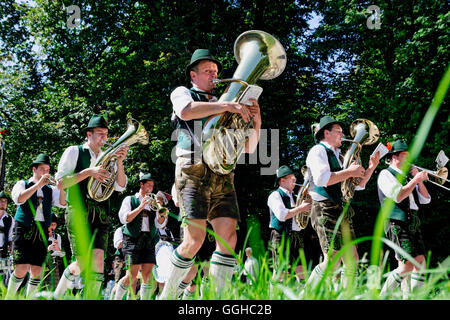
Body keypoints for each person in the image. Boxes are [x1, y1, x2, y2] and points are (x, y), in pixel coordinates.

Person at [160, 48, 262, 299]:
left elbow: (249, 149)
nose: (214, 76)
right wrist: (227, 105)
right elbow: (186, 111)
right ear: (193, 75)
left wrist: (256, 120)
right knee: (194, 239)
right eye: (208, 71)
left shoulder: (226, 103)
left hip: (223, 173)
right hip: (193, 167)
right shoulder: (183, 92)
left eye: (216, 72)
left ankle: (217, 298)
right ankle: (169, 296)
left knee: (230, 237)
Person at [53, 114, 129, 299]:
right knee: (81, 262)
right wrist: (89, 172)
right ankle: (57, 295)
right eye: (100, 133)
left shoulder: (108, 156)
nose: (104, 137)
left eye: (106, 133)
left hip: (101, 212)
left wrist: (119, 161)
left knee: (98, 260)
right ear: (89, 134)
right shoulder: (74, 151)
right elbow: (60, 183)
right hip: (79, 210)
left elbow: (121, 186)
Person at [305, 116, 380, 289]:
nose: (343, 134)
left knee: (352, 258)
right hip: (324, 208)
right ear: (326, 133)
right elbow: (323, 179)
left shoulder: (339, 157)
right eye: (339, 131)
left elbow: (359, 185)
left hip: (341, 209)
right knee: (332, 259)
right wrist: (349, 171)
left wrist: (371, 167)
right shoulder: (318, 151)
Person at [6, 153, 66, 299]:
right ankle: (9, 296)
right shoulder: (22, 184)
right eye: (42, 169)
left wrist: (62, 188)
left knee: (37, 270)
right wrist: (38, 185)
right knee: (21, 268)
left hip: (42, 230)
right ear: (34, 169)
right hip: (24, 227)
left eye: (47, 169)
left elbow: (63, 203)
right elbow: (19, 199)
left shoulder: (50, 190)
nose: (46, 172)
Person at [377, 139, 430, 297]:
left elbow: (426, 199)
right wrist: (415, 180)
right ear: (395, 157)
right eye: (405, 156)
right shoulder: (385, 174)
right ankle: (382, 296)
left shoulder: (407, 177)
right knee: (406, 264)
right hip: (396, 222)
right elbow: (399, 196)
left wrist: (418, 180)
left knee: (420, 261)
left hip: (412, 221)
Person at [113, 173, 168, 300]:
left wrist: (161, 216)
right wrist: (140, 207)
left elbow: (159, 225)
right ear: (141, 184)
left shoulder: (154, 204)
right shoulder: (130, 199)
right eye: (148, 185)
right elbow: (124, 218)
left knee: (147, 276)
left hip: (148, 240)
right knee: (131, 276)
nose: (151, 188)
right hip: (132, 239)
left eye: (152, 186)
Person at [267, 165, 312, 283]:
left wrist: (308, 208)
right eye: (292, 179)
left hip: (296, 236)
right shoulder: (275, 195)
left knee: (302, 271)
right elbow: (282, 216)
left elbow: (302, 217)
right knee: (281, 272)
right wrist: (301, 208)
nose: (295, 181)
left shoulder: (295, 197)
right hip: (280, 235)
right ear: (282, 180)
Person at [46, 214, 65, 289]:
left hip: (54, 263)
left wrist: (57, 247)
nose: (52, 227)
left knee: (54, 286)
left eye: (54, 225)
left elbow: (60, 252)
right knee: (43, 285)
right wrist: (48, 248)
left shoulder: (57, 236)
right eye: (51, 224)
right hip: (43, 262)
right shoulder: (41, 235)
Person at [0, 191, 14, 286]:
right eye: (1, 201)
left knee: (4, 278)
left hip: (3, 252)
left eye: (5, 201)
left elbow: (10, 237)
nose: (3, 203)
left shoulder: (10, 219)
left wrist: (11, 246)